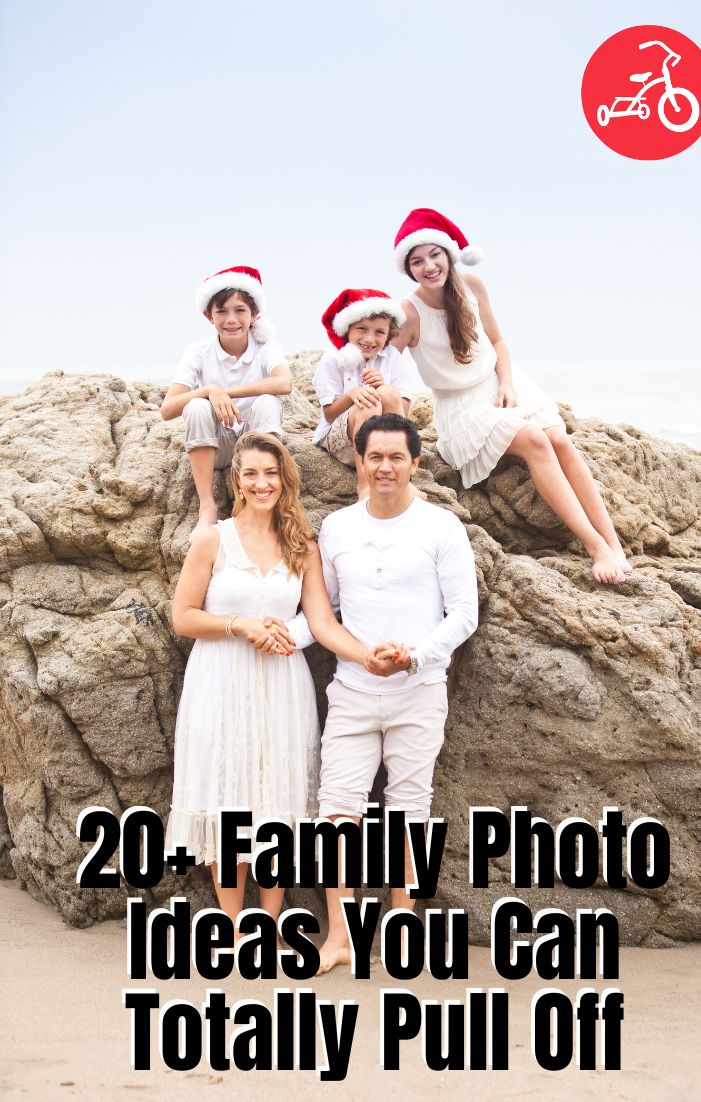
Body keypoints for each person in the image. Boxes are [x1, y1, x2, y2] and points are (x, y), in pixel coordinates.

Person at [165, 431, 403, 932]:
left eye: (271, 473)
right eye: (250, 473)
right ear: (237, 479)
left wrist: (368, 657)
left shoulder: (301, 545)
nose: (261, 482)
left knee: (277, 799)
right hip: (220, 681)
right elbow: (182, 617)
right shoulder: (214, 539)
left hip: (282, 685)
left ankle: (268, 925)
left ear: (284, 479)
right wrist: (240, 625)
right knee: (228, 795)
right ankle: (230, 924)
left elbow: (321, 623)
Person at [291, 412, 479, 974]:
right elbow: (324, 612)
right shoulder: (338, 528)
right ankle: (341, 937)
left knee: (408, 813)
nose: (386, 466)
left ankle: (400, 932)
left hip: (419, 689)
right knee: (336, 815)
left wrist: (414, 655)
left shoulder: (442, 527)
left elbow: (464, 613)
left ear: (415, 463)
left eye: (397, 457)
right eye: (375, 457)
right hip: (350, 689)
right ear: (360, 462)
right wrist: (274, 637)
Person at [391, 208, 631, 585]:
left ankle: (613, 543)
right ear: (409, 269)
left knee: (559, 440)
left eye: (434, 255)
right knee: (536, 441)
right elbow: (386, 368)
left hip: (499, 383)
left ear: (448, 254)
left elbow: (498, 341)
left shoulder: (471, 284)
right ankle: (594, 547)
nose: (428, 266)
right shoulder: (409, 313)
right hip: (461, 406)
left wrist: (506, 384)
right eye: (416, 261)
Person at [161, 265, 293, 542]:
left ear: (255, 314)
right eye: (222, 311)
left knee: (268, 401)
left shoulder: (266, 348)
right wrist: (209, 390)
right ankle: (208, 506)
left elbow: (284, 383)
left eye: (240, 310)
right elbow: (168, 409)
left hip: (253, 443)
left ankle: (260, 503)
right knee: (196, 406)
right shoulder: (199, 351)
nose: (231, 319)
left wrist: (228, 393)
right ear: (209, 316)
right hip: (217, 446)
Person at [313, 288, 416, 498]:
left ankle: (403, 479)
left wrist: (382, 387)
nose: (370, 338)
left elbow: (402, 411)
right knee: (368, 403)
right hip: (345, 441)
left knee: (387, 392)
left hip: (383, 445)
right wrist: (351, 395)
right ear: (347, 329)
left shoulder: (392, 357)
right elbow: (330, 414)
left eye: (379, 332)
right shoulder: (333, 359)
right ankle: (365, 483)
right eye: (362, 329)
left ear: (389, 335)